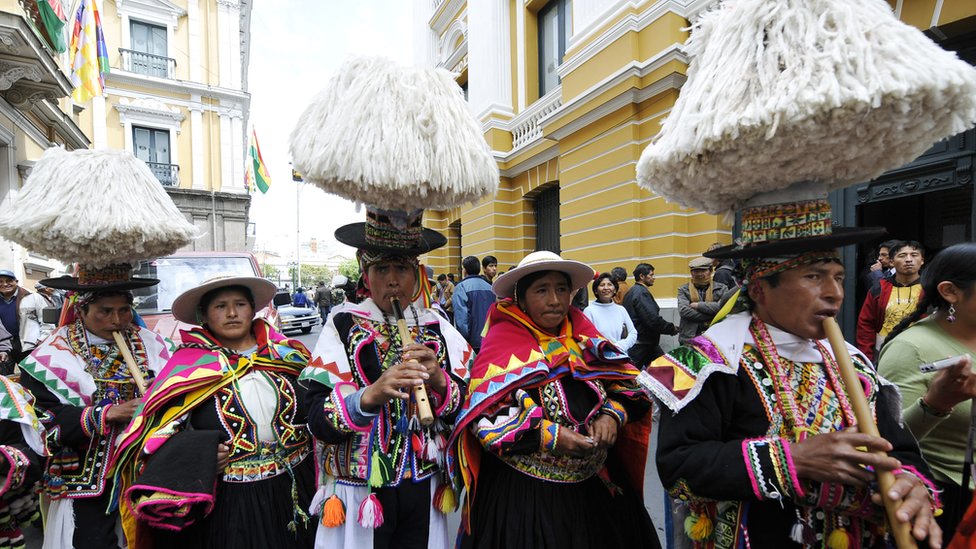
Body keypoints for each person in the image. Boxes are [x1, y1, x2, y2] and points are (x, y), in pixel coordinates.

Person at [641, 195, 942, 548]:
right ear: (760, 289)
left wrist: (911, 481)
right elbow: (679, 468)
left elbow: (899, 449)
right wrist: (792, 459)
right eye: (814, 277)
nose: (835, 294)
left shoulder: (854, 364)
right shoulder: (708, 362)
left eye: (839, 278)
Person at [446, 250, 658, 549]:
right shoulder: (501, 347)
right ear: (521, 298)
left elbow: (632, 387)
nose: (555, 300)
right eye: (542, 290)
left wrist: (613, 413)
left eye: (561, 289)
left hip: (593, 493)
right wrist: (551, 436)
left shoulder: (587, 340)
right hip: (525, 501)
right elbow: (486, 417)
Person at [301, 208, 472, 549]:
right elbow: (316, 418)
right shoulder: (343, 325)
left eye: (402, 269)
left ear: (417, 274)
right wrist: (370, 395)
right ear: (366, 275)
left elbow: (468, 408)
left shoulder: (438, 328)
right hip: (359, 491)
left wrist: (439, 379)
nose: (393, 280)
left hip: (423, 485)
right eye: (382, 269)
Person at [110, 275, 316, 548]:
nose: (232, 313)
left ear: (252, 309)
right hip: (231, 501)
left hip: (296, 488)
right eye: (220, 306)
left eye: (240, 304)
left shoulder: (289, 356)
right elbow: (155, 437)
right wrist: (202, 456)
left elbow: (320, 409)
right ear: (203, 315)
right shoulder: (186, 368)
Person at [17, 270, 174, 549]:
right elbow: (40, 419)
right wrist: (107, 414)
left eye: (124, 310)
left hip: (146, 471)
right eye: (105, 311)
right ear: (81, 309)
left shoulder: (155, 347)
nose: (117, 320)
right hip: (86, 477)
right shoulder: (51, 356)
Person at [877, 242, 976, 541]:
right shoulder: (911, 349)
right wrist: (936, 403)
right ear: (950, 292)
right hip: (947, 502)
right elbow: (887, 439)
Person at [857, 240, 925, 362]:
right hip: (885, 355)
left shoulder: (931, 289)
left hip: (922, 354)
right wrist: (866, 360)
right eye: (902, 255)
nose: (909, 259)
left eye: (914, 255)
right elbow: (866, 325)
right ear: (892, 262)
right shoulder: (879, 289)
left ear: (922, 260)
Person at [622, 262, 677, 367]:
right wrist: (671, 328)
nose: (654, 278)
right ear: (642, 276)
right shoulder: (641, 293)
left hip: (644, 342)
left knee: (661, 370)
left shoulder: (632, 291)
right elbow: (652, 319)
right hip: (643, 342)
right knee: (634, 373)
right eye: (651, 275)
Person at [677, 256, 729, 344]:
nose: (700, 274)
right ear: (691, 273)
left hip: (715, 337)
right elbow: (684, 311)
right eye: (696, 271)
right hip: (689, 337)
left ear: (711, 271)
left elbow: (723, 308)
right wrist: (714, 314)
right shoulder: (683, 289)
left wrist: (698, 305)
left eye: (703, 270)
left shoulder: (722, 288)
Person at [584, 272, 637, 353]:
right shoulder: (589, 311)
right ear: (596, 291)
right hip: (598, 356)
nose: (606, 288)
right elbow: (587, 337)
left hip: (619, 354)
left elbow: (633, 333)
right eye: (602, 285)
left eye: (609, 284)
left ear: (615, 289)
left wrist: (620, 346)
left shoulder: (621, 310)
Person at [452, 256, 494, 352]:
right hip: (490, 339)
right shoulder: (490, 287)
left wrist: (463, 340)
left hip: (472, 342)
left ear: (465, 270)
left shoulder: (461, 287)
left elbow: (462, 319)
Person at [19, 281, 59, 356]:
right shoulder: (38, 298)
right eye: (50, 287)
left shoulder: (51, 298)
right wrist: (42, 337)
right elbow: (45, 321)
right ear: (45, 289)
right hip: (36, 339)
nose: (53, 289)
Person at [0, 270, 30, 365]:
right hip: (4, 344)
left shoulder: (30, 297)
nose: (5, 284)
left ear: (16, 282)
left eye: (9, 280)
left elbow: (44, 322)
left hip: (26, 343)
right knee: (5, 377)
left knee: (28, 375)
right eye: (0, 281)